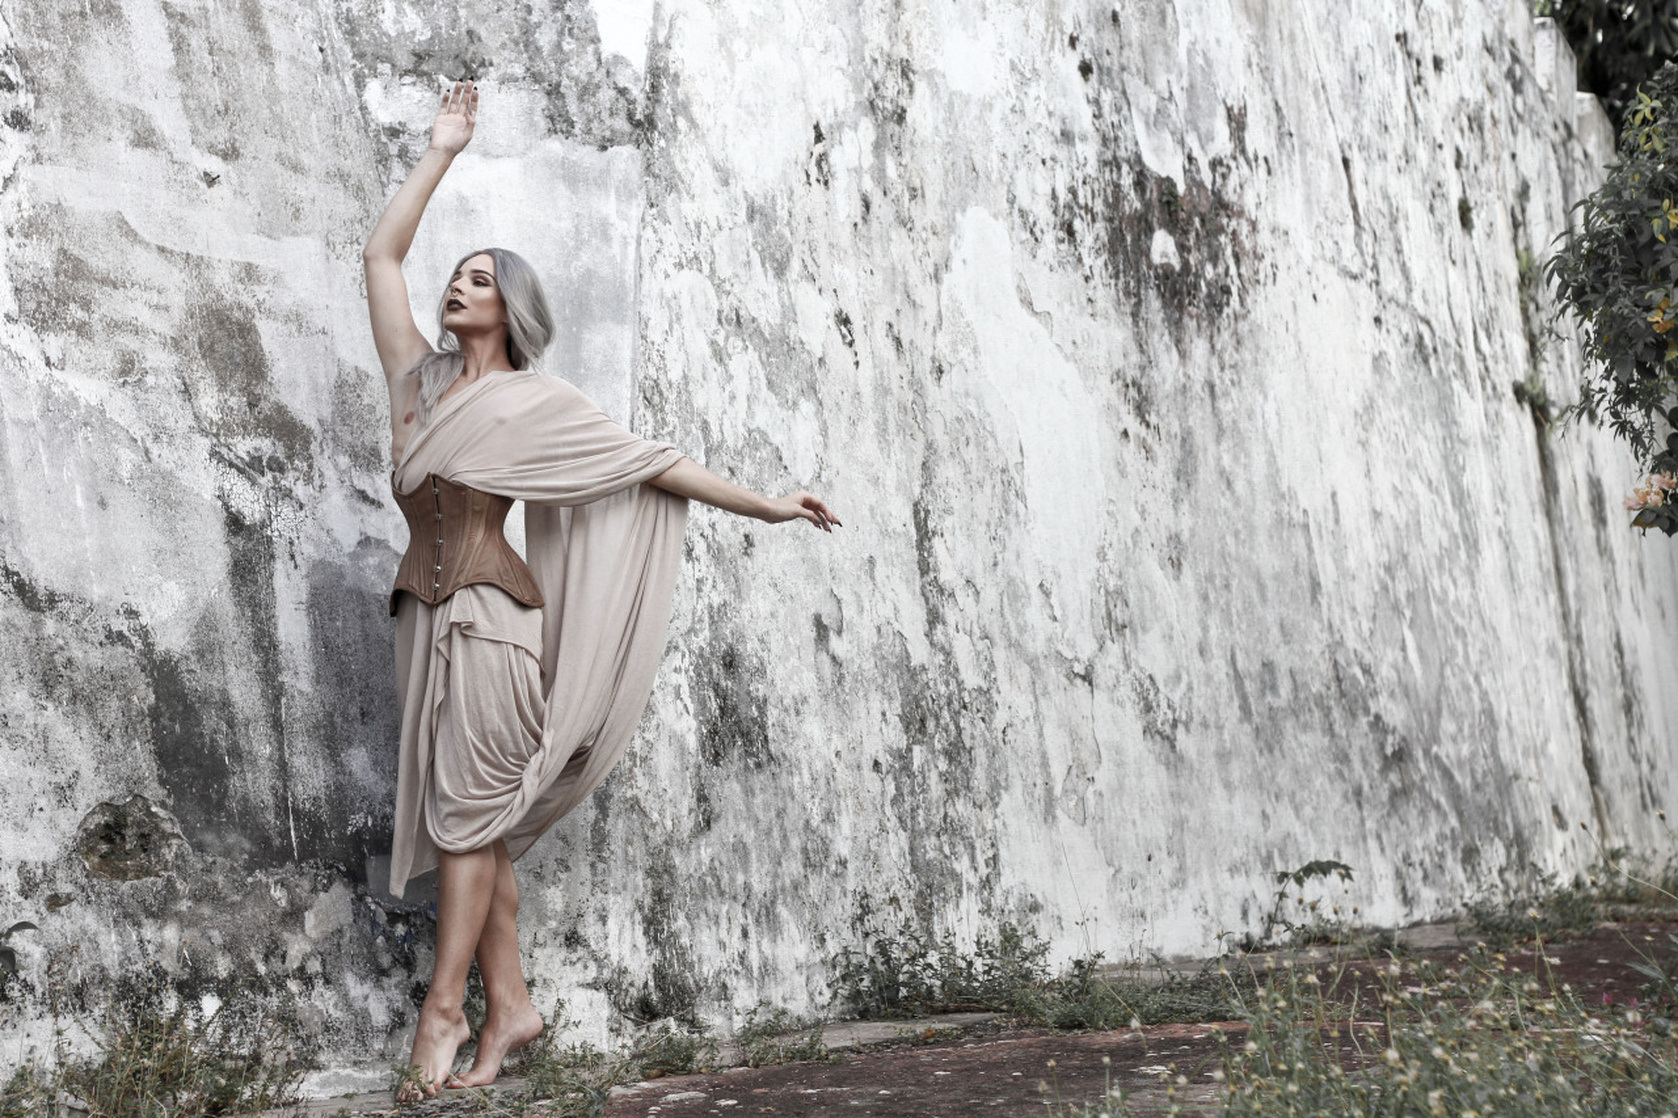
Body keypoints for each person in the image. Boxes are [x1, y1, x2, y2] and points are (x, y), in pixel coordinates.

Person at [361, 79, 840, 1100]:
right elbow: (381, 258)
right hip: (421, 623)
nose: (456, 287)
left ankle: (443, 1013)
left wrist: (763, 503)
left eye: (480, 278)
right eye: (456, 276)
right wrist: (442, 150)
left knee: (466, 817)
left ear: (511, 306)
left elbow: (650, 462)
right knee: (472, 823)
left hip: (490, 624)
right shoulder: (417, 388)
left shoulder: (537, 401)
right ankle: (512, 1005)